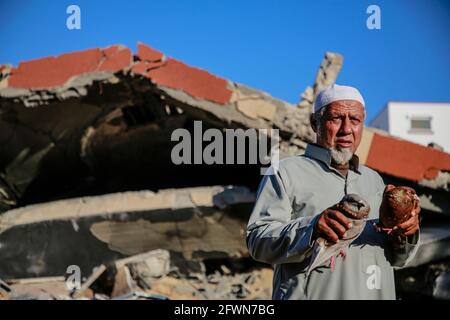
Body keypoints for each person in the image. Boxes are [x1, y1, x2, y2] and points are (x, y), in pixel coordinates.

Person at [246, 84, 420, 300]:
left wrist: (405, 233)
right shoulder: (285, 172)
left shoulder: (375, 181)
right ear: (314, 123)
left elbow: (399, 260)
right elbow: (257, 240)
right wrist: (311, 228)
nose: (346, 129)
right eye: (336, 118)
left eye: (355, 120)